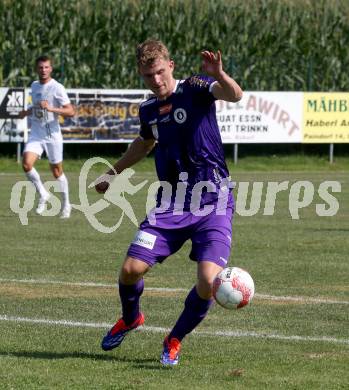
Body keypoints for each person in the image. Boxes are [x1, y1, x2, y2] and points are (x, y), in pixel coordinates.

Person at [95, 39, 243, 366]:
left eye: (160, 72)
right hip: (171, 205)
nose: (156, 80)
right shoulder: (148, 109)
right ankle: (131, 317)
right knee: (131, 270)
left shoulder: (196, 87)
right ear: (142, 75)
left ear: (171, 65)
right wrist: (113, 172)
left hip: (213, 201)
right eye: (149, 76)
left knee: (208, 281)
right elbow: (143, 143)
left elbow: (234, 95)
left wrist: (220, 73)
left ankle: (174, 338)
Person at [19, 55, 75, 218]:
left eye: (46, 67)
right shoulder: (34, 86)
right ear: (36, 69)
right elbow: (36, 105)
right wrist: (26, 112)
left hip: (52, 135)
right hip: (36, 133)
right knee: (26, 164)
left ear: (51, 69)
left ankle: (66, 205)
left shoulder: (57, 87)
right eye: (40, 67)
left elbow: (70, 111)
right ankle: (43, 194)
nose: (43, 70)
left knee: (57, 172)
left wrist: (51, 109)